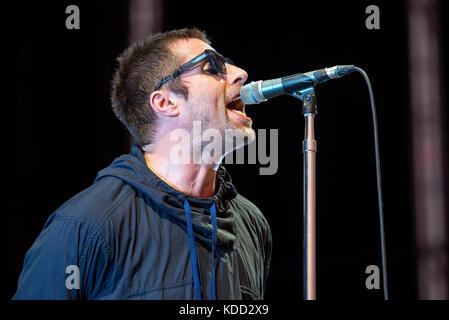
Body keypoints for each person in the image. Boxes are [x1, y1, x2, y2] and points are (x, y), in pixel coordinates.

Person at [13, 28, 272, 300]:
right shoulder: (85, 225)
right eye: (211, 68)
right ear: (165, 101)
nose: (240, 73)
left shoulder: (251, 224)